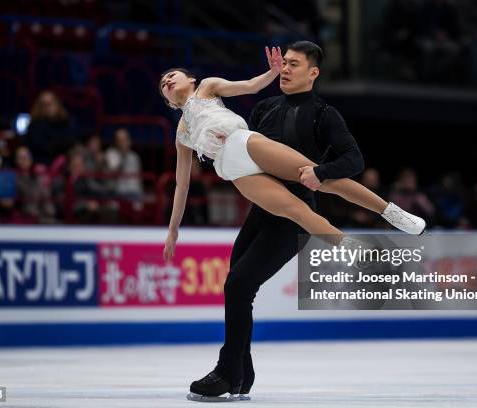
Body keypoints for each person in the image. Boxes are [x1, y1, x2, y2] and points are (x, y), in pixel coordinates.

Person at [159, 44, 426, 400]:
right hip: (234, 172)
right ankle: (360, 254)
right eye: (162, 84)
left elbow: (251, 85)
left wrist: (271, 72)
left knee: (315, 176)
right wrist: (174, 228)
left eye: (171, 76)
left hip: (247, 146)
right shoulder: (182, 132)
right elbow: (182, 182)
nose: (166, 81)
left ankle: (390, 212)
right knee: (288, 219)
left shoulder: (208, 86)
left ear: (189, 80)